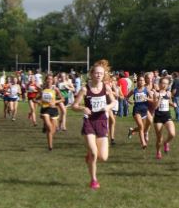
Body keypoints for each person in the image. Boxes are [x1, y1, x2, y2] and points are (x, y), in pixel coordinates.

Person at [72, 60, 116, 189]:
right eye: (96, 73)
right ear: (91, 74)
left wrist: (108, 107)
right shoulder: (85, 89)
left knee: (103, 157)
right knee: (94, 153)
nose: (98, 75)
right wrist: (82, 108)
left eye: (101, 73)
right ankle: (94, 180)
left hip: (102, 121)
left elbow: (114, 102)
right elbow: (74, 106)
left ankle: (90, 156)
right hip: (89, 122)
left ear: (104, 75)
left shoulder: (106, 88)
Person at [153, 76, 177, 159]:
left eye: (166, 84)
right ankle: (158, 152)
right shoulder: (156, 93)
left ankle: (166, 142)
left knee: (172, 134)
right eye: (163, 83)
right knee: (159, 138)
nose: (164, 85)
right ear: (159, 84)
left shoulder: (168, 93)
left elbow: (169, 102)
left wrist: (173, 104)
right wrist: (159, 98)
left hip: (167, 115)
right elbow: (155, 107)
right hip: (158, 117)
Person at [37, 75, 63, 150]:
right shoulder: (42, 89)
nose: (49, 80)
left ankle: (50, 146)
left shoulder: (55, 89)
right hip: (45, 109)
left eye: (51, 79)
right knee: (49, 127)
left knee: (52, 130)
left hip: (53, 110)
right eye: (48, 79)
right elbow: (35, 99)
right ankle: (45, 125)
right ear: (45, 80)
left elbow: (62, 99)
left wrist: (55, 101)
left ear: (53, 81)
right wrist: (39, 102)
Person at [126, 75, 152, 149]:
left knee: (142, 127)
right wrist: (129, 101)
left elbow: (152, 100)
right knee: (141, 126)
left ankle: (132, 130)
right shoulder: (134, 90)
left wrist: (148, 98)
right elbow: (126, 97)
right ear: (137, 81)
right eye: (139, 80)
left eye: (142, 80)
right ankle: (143, 143)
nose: (141, 82)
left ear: (144, 82)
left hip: (144, 110)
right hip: (137, 110)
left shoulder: (146, 90)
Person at [108, 75, 120, 146]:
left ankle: (112, 138)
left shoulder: (117, 88)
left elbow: (118, 95)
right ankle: (105, 136)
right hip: (108, 106)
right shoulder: (107, 87)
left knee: (112, 123)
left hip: (115, 106)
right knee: (112, 120)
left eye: (115, 80)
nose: (113, 81)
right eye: (112, 80)